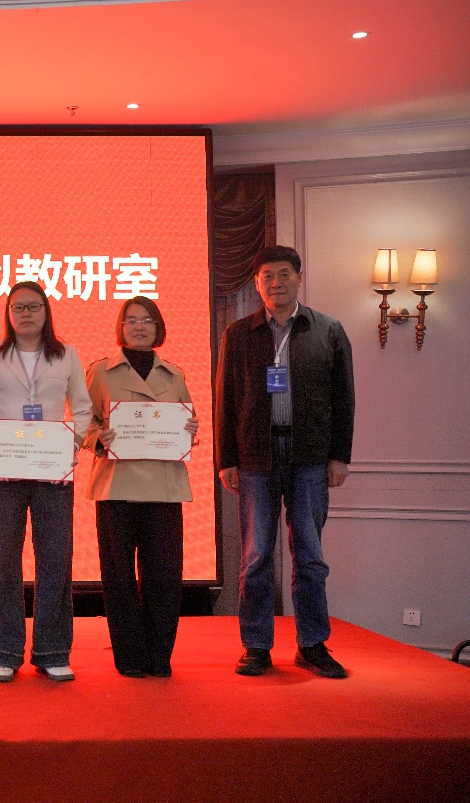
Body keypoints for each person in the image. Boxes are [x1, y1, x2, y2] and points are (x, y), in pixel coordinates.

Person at [216, 245, 354, 679]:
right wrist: (227, 459)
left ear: (298, 277)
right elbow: (226, 400)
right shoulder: (238, 334)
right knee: (256, 556)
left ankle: (312, 644)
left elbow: (344, 398)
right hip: (255, 458)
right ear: (258, 284)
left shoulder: (327, 329)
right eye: (267, 277)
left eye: (283, 274)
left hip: (310, 458)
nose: (275, 283)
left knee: (310, 556)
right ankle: (256, 645)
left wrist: (339, 456)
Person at [0, 281, 91, 683]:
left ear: (46, 312)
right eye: (18, 307)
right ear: (8, 313)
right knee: (2, 560)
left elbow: (84, 408)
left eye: (33, 306)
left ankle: (52, 651)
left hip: (52, 470)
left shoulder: (66, 355)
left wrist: (72, 443)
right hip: (4, 472)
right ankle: (4, 652)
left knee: (55, 560)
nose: (25, 314)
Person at [84, 296, 197, 678]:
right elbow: (84, 421)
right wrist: (99, 437)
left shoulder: (174, 374)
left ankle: (160, 655)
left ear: (158, 327)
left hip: (163, 488)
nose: (139, 326)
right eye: (131, 320)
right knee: (118, 577)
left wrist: (190, 430)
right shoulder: (100, 371)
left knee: (164, 576)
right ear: (121, 327)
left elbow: (186, 421)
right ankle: (130, 657)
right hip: (116, 486)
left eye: (147, 320)